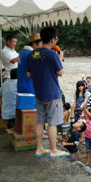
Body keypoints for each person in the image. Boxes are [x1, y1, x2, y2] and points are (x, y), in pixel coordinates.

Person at [27, 26, 67, 159]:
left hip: (38, 93)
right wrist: (60, 58)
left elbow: (28, 74)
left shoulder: (32, 54)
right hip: (52, 93)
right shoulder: (51, 54)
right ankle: (53, 150)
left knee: (40, 122)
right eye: (56, 38)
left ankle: (39, 148)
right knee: (52, 123)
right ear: (52, 39)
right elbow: (60, 72)